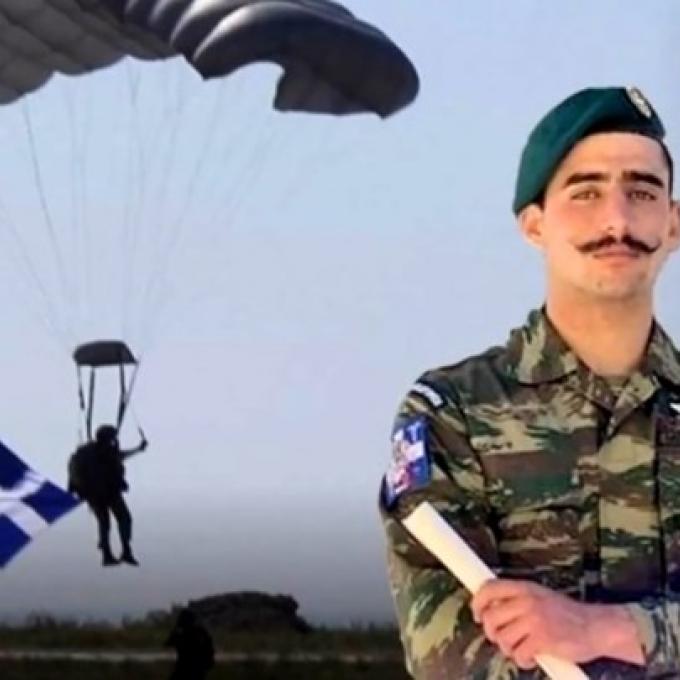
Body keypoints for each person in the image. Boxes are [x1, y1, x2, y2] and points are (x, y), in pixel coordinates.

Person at [379, 86, 680, 679]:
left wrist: (606, 630)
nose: (617, 220)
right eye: (585, 192)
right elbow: (445, 651)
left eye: (642, 192)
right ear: (534, 224)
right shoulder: (455, 412)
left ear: (673, 223)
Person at [68, 423, 147, 566]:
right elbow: (116, 457)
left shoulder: (103, 451)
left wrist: (138, 449)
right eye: (112, 438)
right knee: (110, 522)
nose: (114, 441)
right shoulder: (91, 453)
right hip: (99, 494)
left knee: (116, 521)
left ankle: (121, 551)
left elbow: (119, 456)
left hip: (105, 493)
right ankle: (111, 554)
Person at [164, 607, 215, 680]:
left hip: (185, 668)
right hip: (197, 669)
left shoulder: (182, 633)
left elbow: (168, 644)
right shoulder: (200, 631)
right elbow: (209, 648)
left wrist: (175, 630)